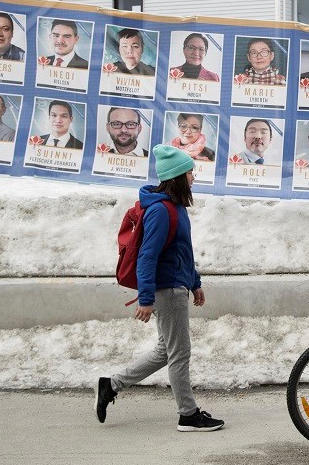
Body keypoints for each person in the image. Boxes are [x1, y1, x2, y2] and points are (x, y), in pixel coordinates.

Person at [95, 145, 224, 432]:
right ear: (178, 175)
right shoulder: (161, 212)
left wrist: (195, 282)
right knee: (180, 353)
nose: (194, 177)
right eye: (191, 172)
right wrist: (146, 298)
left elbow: (181, 252)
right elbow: (147, 256)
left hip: (176, 286)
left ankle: (111, 385)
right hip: (167, 291)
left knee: (167, 350)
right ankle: (188, 415)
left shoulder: (175, 208)